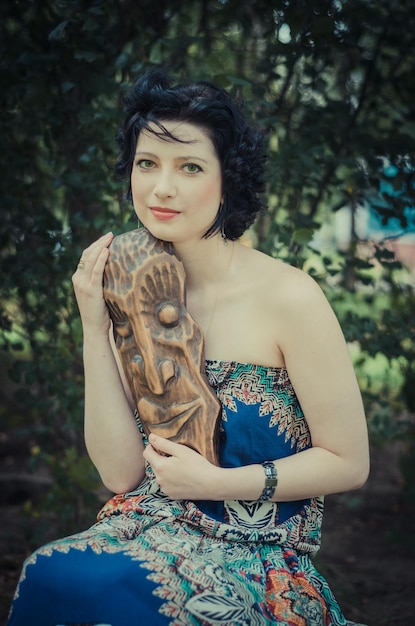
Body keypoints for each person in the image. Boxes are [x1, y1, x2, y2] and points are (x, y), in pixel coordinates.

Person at [7, 70, 370, 626]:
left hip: (255, 559)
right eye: (147, 163)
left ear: (230, 180)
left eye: (190, 167)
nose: (161, 188)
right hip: (140, 527)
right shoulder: (134, 283)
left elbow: (350, 462)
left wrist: (220, 484)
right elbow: (120, 475)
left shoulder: (290, 297)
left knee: (114, 595)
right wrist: (93, 325)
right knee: (52, 573)